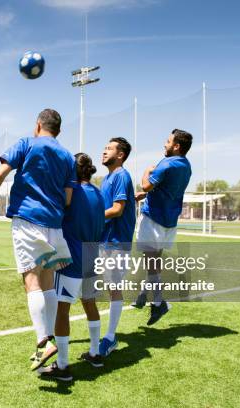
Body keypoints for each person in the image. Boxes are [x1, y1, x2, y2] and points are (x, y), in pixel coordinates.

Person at [0, 108, 75, 372]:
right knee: (47, 282)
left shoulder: (27, 143)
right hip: (54, 224)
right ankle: (51, 338)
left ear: (38, 126)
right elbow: (68, 199)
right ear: (58, 130)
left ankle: (43, 341)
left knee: (31, 280)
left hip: (27, 220)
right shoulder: (67, 156)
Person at [37, 153, 105, 381]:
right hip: (93, 257)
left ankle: (63, 366)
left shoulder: (71, 191)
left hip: (72, 260)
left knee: (62, 311)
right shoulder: (98, 192)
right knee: (90, 304)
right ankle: (95, 353)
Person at [81, 137, 136, 358]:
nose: (104, 152)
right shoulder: (108, 178)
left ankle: (110, 337)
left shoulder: (121, 175)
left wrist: (91, 217)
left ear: (120, 155)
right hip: (104, 240)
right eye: (104, 148)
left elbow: (117, 209)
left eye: (109, 149)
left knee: (114, 288)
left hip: (116, 242)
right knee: (100, 288)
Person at [134, 129, 193, 325]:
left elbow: (146, 186)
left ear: (176, 146)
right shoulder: (186, 165)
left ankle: (159, 303)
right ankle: (143, 294)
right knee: (154, 262)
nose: (164, 144)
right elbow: (167, 188)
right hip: (169, 221)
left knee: (150, 262)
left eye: (167, 141)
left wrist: (146, 172)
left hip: (154, 218)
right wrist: (149, 194)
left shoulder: (166, 163)